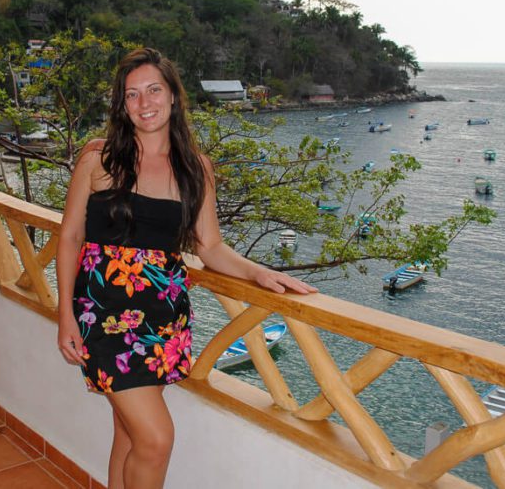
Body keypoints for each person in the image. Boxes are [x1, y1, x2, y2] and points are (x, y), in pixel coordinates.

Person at [56, 47, 316, 489]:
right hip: (102, 313)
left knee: (129, 432)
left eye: (154, 90)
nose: (144, 103)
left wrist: (256, 273)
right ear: (121, 104)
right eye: (132, 94)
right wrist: (66, 315)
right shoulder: (98, 160)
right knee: (156, 439)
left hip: (163, 316)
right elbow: (70, 239)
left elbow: (209, 245)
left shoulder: (197, 169)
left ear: (174, 96)